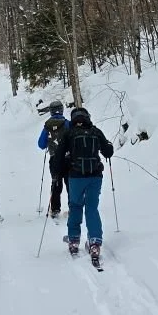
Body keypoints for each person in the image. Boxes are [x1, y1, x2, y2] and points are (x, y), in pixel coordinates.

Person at [56, 105, 114, 265]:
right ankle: (95, 242)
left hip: (75, 177)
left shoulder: (69, 133)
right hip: (95, 176)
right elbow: (108, 151)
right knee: (92, 208)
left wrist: (57, 173)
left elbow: (59, 155)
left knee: (75, 206)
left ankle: (74, 240)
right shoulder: (95, 132)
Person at [37, 99, 69, 218]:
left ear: (50, 111)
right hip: (67, 158)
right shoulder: (67, 124)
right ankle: (73, 207)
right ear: (61, 110)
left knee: (56, 183)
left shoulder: (47, 126)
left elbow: (41, 144)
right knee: (69, 183)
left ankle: (55, 209)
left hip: (54, 158)